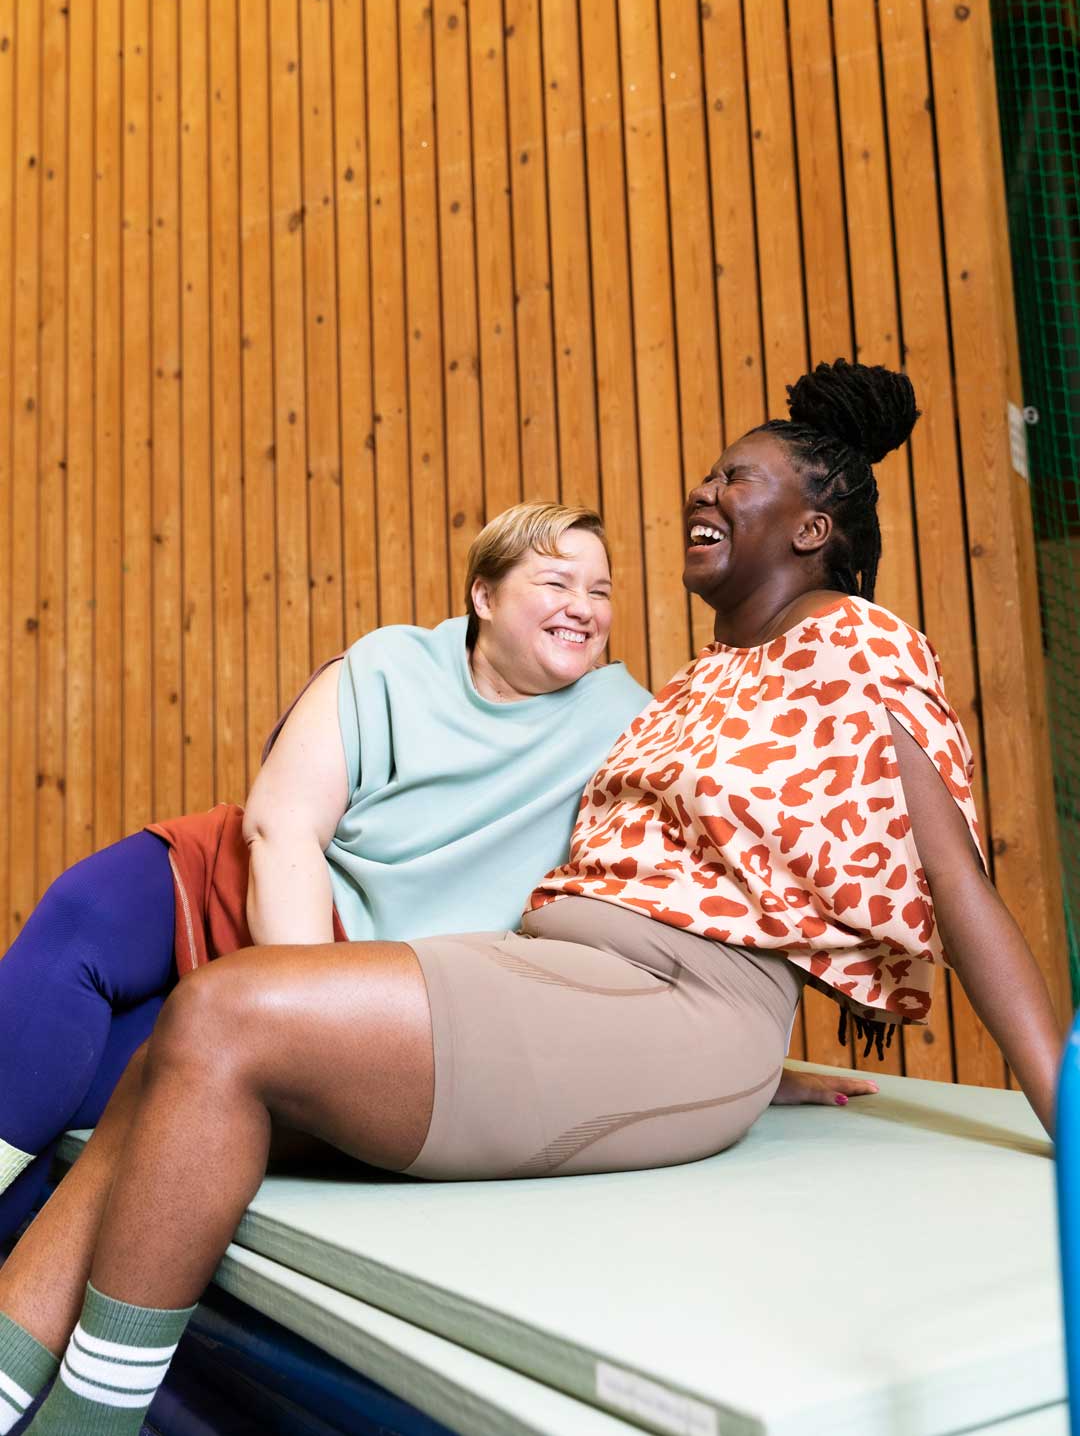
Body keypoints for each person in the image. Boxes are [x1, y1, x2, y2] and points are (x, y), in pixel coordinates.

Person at [6, 360, 1049, 1436]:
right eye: (707, 474)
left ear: (812, 529)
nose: (703, 491)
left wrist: (1058, 1098)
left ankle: (83, 1427)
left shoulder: (859, 641)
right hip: (575, 981)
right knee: (163, 1075)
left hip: (671, 1004)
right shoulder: (695, 682)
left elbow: (955, 885)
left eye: (737, 479)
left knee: (225, 1011)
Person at [0, 502, 654, 1239]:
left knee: (104, 1090)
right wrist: (297, 1004)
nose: (583, 607)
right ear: (484, 595)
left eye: (600, 591)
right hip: (265, 890)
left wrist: (303, 1025)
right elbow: (282, 827)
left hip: (371, 982)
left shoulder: (631, 724)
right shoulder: (392, 664)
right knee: (82, 916)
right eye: (557, 583)